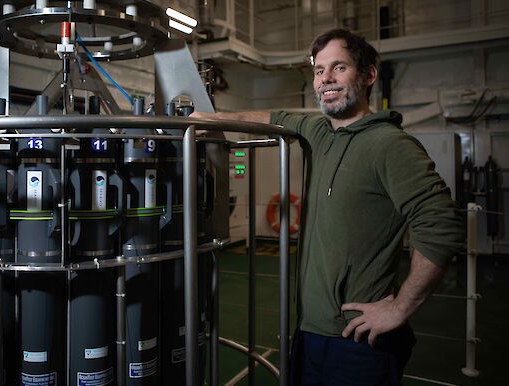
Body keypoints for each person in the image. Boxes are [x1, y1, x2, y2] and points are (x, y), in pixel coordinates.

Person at [192, 28, 463, 385]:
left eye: (339, 68)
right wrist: (200, 120)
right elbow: (269, 117)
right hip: (308, 332)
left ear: (368, 75)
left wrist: (400, 308)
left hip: (357, 341)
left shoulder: (390, 145)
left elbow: (442, 223)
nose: (326, 79)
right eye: (319, 70)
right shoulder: (318, 133)